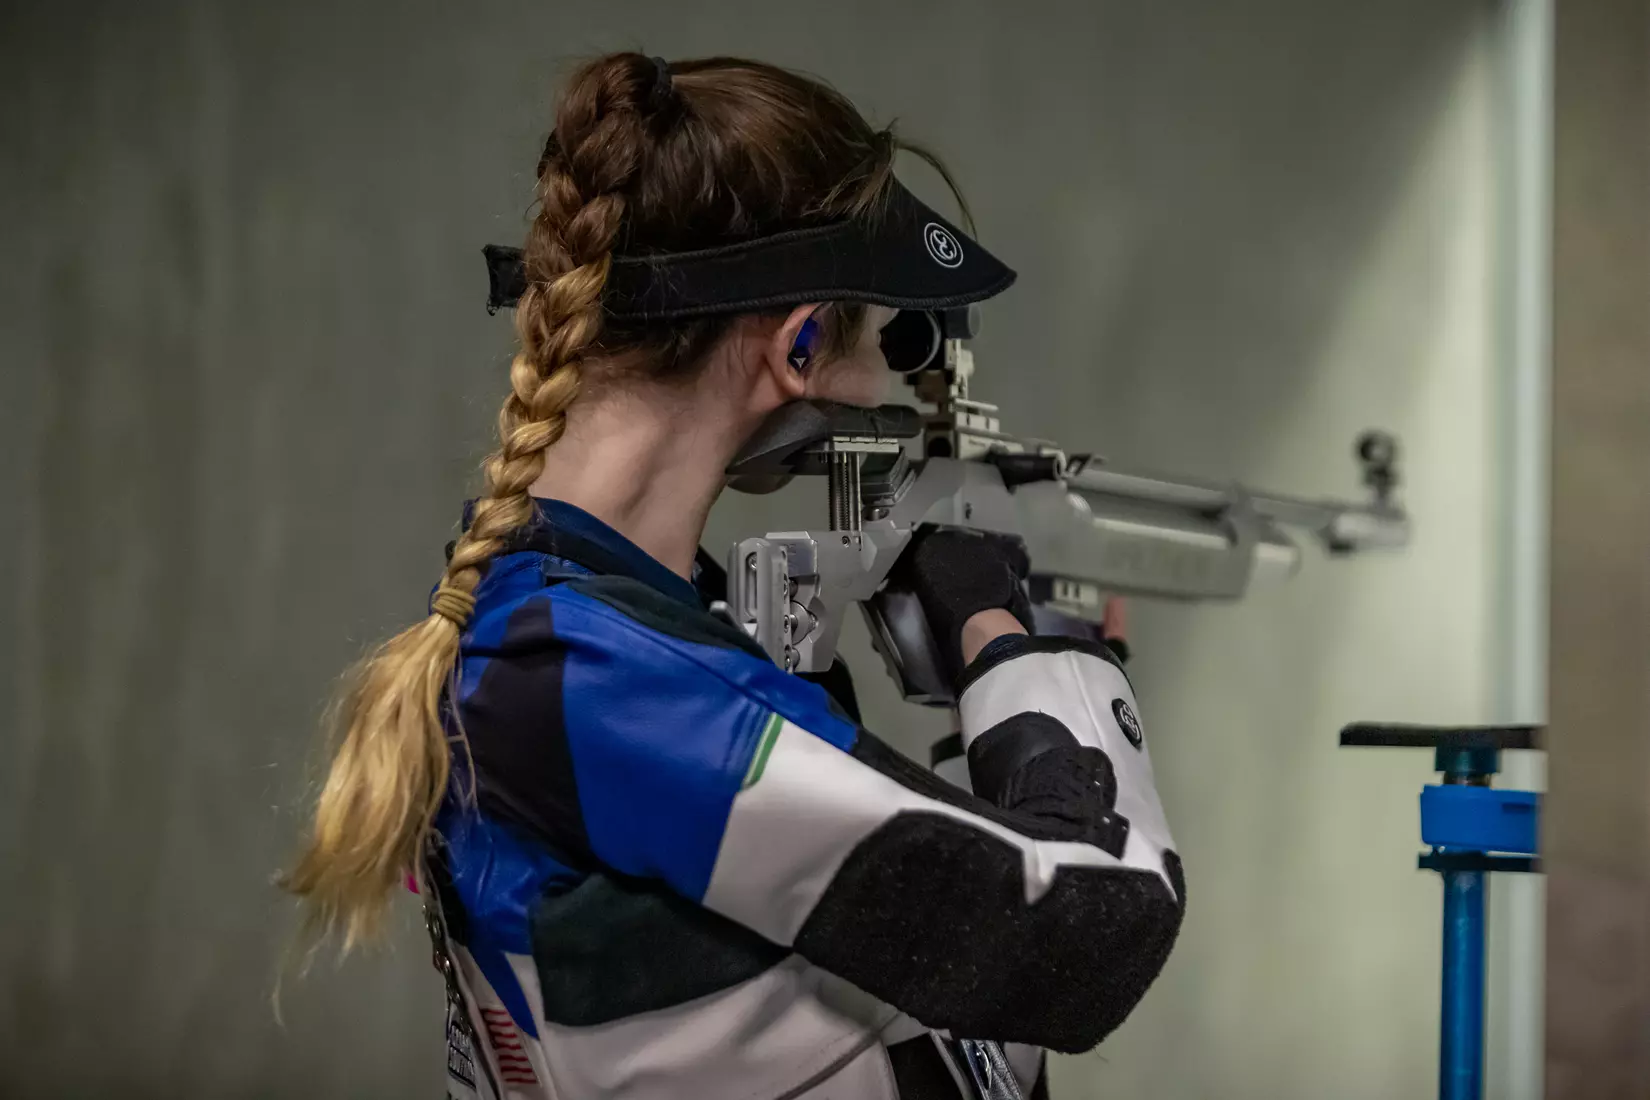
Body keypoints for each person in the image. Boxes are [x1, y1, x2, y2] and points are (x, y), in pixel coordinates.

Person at [283, 52, 1183, 1100]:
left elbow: (914, 998)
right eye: (886, 332)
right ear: (798, 345)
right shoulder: (593, 681)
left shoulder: (584, 627)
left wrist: (998, 692)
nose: (891, 380)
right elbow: (1086, 937)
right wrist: (1005, 639)